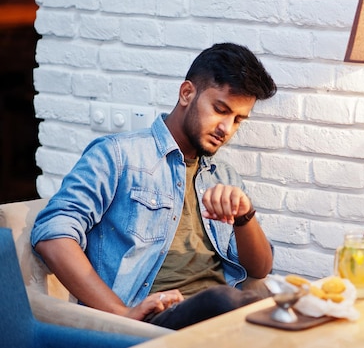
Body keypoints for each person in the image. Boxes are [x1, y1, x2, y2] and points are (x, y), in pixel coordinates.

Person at [31, 43, 277, 330]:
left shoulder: (223, 177)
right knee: (227, 302)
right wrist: (121, 313)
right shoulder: (118, 156)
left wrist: (244, 215)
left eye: (237, 120)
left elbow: (259, 269)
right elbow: (52, 234)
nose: (227, 128)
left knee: (276, 303)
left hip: (218, 318)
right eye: (220, 109)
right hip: (154, 321)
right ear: (187, 93)